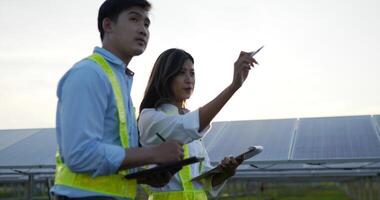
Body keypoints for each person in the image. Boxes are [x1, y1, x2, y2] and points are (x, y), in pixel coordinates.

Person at [51, 1, 184, 199]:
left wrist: (143, 176)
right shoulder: (89, 74)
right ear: (108, 25)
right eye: (134, 19)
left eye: (146, 24)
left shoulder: (119, 80)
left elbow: (109, 158)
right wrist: (153, 153)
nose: (143, 29)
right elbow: (80, 155)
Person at [138, 48, 258, 199]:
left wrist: (225, 173)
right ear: (165, 76)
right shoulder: (150, 117)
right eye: (182, 72)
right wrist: (234, 86)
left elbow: (205, 182)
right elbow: (189, 125)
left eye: (192, 73)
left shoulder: (189, 119)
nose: (189, 79)